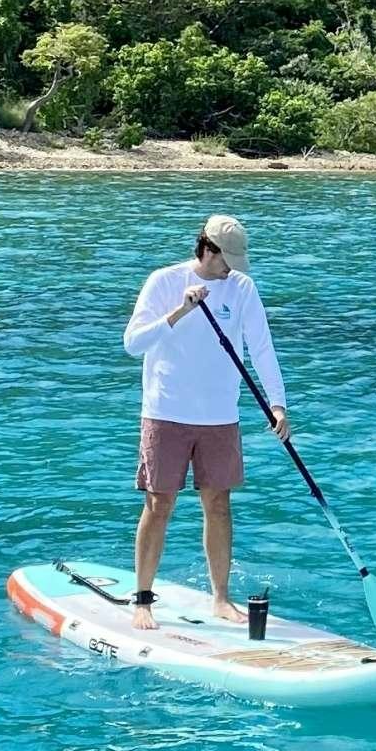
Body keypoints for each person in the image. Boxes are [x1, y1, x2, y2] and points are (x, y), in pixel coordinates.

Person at [122, 214, 289, 624]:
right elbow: (132, 344)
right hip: (166, 412)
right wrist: (180, 312)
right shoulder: (164, 281)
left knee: (218, 504)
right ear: (207, 248)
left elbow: (262, 348)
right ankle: (143, 599)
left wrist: (278, 404)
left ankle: (220, 598)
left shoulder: (242, 288)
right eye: (224, 258)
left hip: (220, 416)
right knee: (159, 504)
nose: (229, 267)